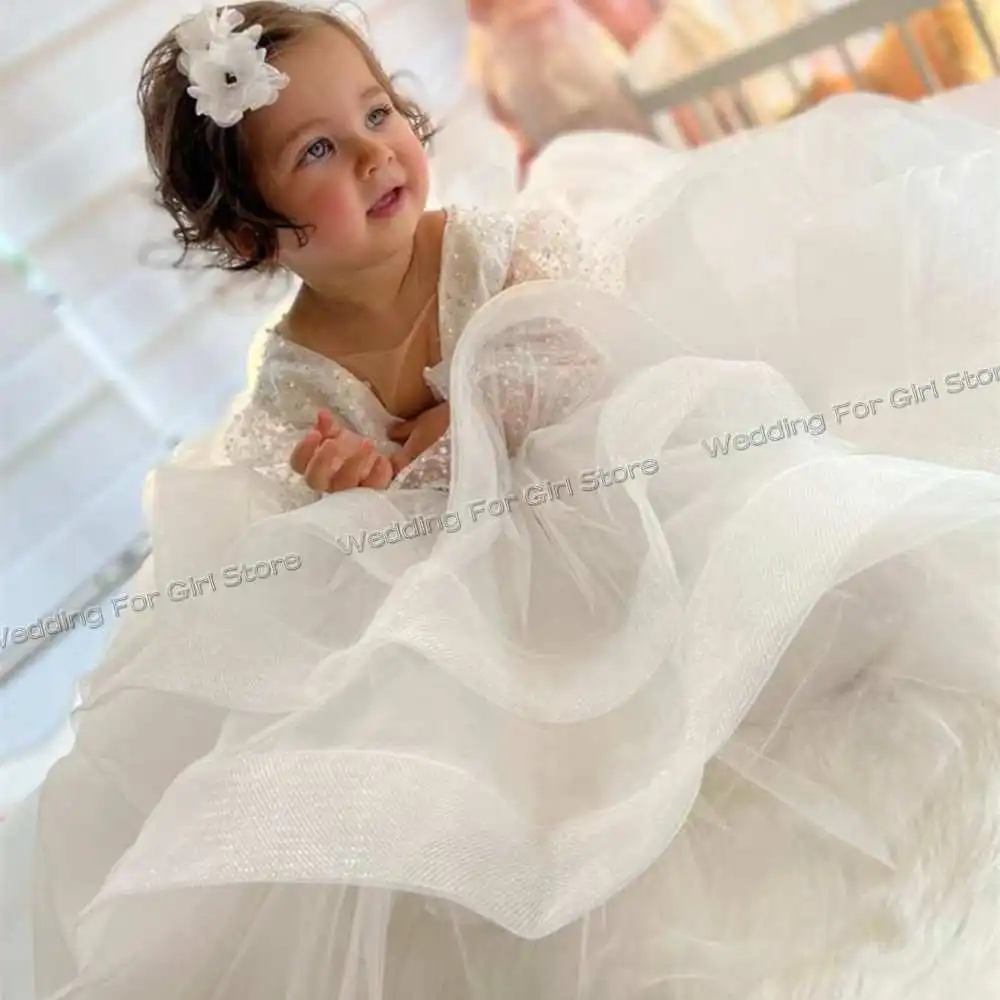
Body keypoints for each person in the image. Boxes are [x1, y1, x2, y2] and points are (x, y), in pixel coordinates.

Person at [6, 2, 1000, 997]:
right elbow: (326, 541)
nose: (372, 153)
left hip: (600, 490)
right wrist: (347, 486)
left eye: (379, 113)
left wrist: (461, 416)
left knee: (774, 571)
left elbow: (568, 348)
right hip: (475, 583)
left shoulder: (484, 247)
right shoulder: (290, 385)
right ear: (249, 231)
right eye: (317, 147)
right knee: (504, 753)